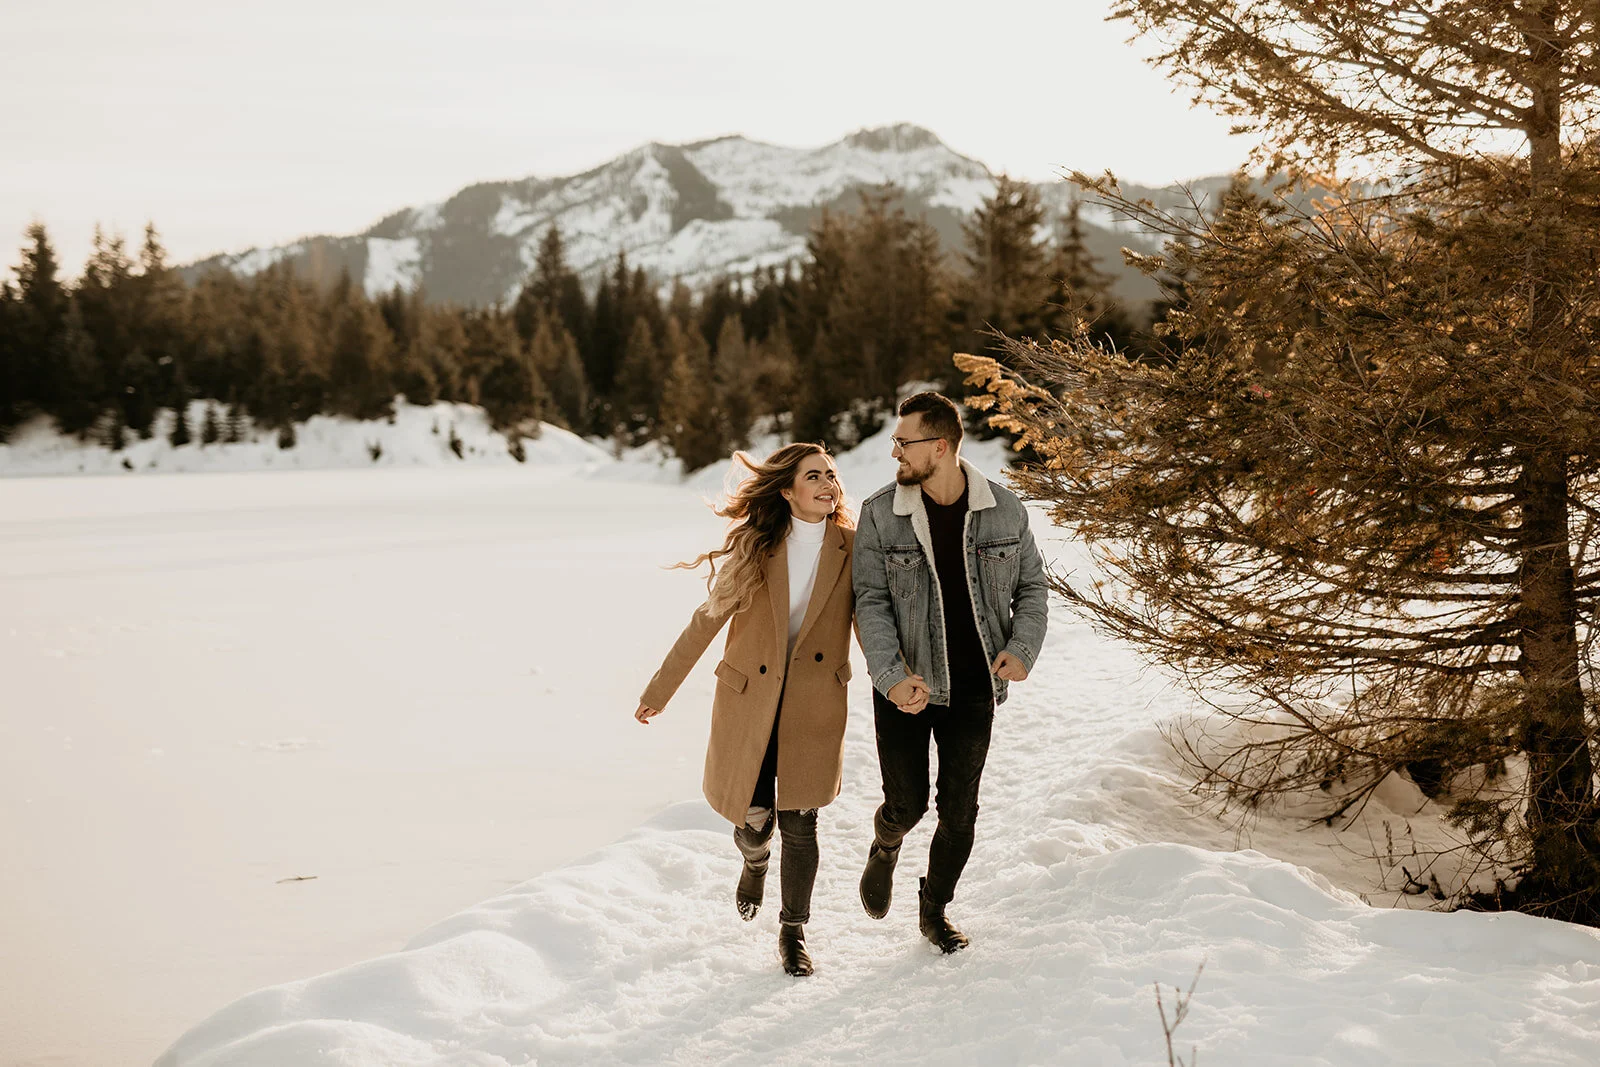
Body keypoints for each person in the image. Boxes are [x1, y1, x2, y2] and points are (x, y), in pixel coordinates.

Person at [635, 443, 856, 977]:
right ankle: (754, 860)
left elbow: (871, 620)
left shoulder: (854, 546)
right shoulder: (758, 548)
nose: (829, 484)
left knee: (801, 823)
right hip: (751, 700)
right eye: (814, 476)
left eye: (831, 474)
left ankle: (793, 931)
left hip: (814, 701)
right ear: (787, 490)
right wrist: (658, 691)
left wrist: (899, 685)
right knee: (755, 822)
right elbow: (706, 620)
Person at [851, 391, 1050, 952]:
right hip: (907, 687)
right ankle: (886, 842)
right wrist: (891, 677)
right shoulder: (879, 514)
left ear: (940, 446)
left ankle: (934, 908)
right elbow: (870, 604)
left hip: (974, 688)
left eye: (904, 442)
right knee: (907, 804)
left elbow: (1033, 587)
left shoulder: (1004, 509)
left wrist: (1022, 647)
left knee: (959, 811)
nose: (896, 453)